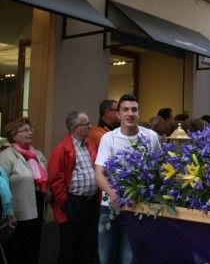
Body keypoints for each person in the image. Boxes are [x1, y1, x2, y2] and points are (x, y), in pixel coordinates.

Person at [95, 94, 160, 264]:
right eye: (125, 110)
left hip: (137, 206)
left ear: (139, 112)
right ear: (118, 114)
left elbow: (159, 170)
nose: (130, 113)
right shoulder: (109, 138)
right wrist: (112, 192)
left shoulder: (151, 137)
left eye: (134, 109)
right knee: (105, 258)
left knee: (129, 259)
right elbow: (99, 173)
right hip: (109, 206)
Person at [48, 111, 100, 264]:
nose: (90, 127)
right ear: (76, 127)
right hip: (73, 203)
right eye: (86, 124)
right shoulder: (61, 149)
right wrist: (65, 203)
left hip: (90, 202)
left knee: (88, 245)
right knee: (70, 246)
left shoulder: (90, 144)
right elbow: (55, 180)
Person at [0, 117, 48, 264]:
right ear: (14, 135)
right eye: (25, 130)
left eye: (30, 129)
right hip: (17, 212)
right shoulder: (6, 155)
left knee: (33, 248)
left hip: (38, 207)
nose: (30, 132)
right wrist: (9, 212)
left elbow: (45, 177)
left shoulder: (37, 154)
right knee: (17, 250)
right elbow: (2, 185)